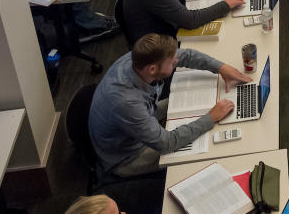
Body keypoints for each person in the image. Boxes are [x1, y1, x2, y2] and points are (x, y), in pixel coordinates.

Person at [88, 32, 248, 178]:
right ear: (152, 69)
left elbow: (187, 56)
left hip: (144, 115)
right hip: (127, 156)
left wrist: (221, 67)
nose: (176, 61)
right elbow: (167, 143)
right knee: (201, 152)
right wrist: (210, 118)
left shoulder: (139, 58)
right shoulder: (126, 102)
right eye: (172, 63)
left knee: (200, 106)